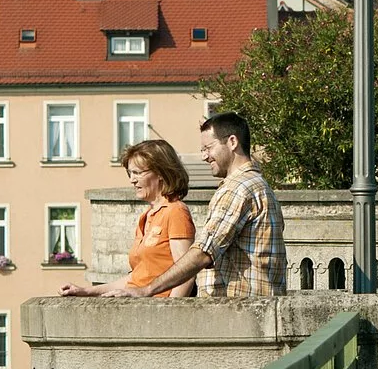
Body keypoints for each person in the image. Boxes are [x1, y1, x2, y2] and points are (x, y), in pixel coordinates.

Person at [105, 111, 287, 298]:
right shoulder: (259, 185)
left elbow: (204, 252)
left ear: (232, 142)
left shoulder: (238, 189)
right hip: (256, 307)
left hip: (240, 310)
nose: (204, 157)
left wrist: (147, 290)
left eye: (208, 148)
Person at [59, 139, 196, 298]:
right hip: (139, 309)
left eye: (138, 173)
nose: (132, 179)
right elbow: (136, 279)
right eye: (130, 173)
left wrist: (169, 313)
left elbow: (187, 273)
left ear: (161, 173)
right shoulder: (146, 216)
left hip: (158, 311)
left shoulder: (176, 211)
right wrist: (85, 291)